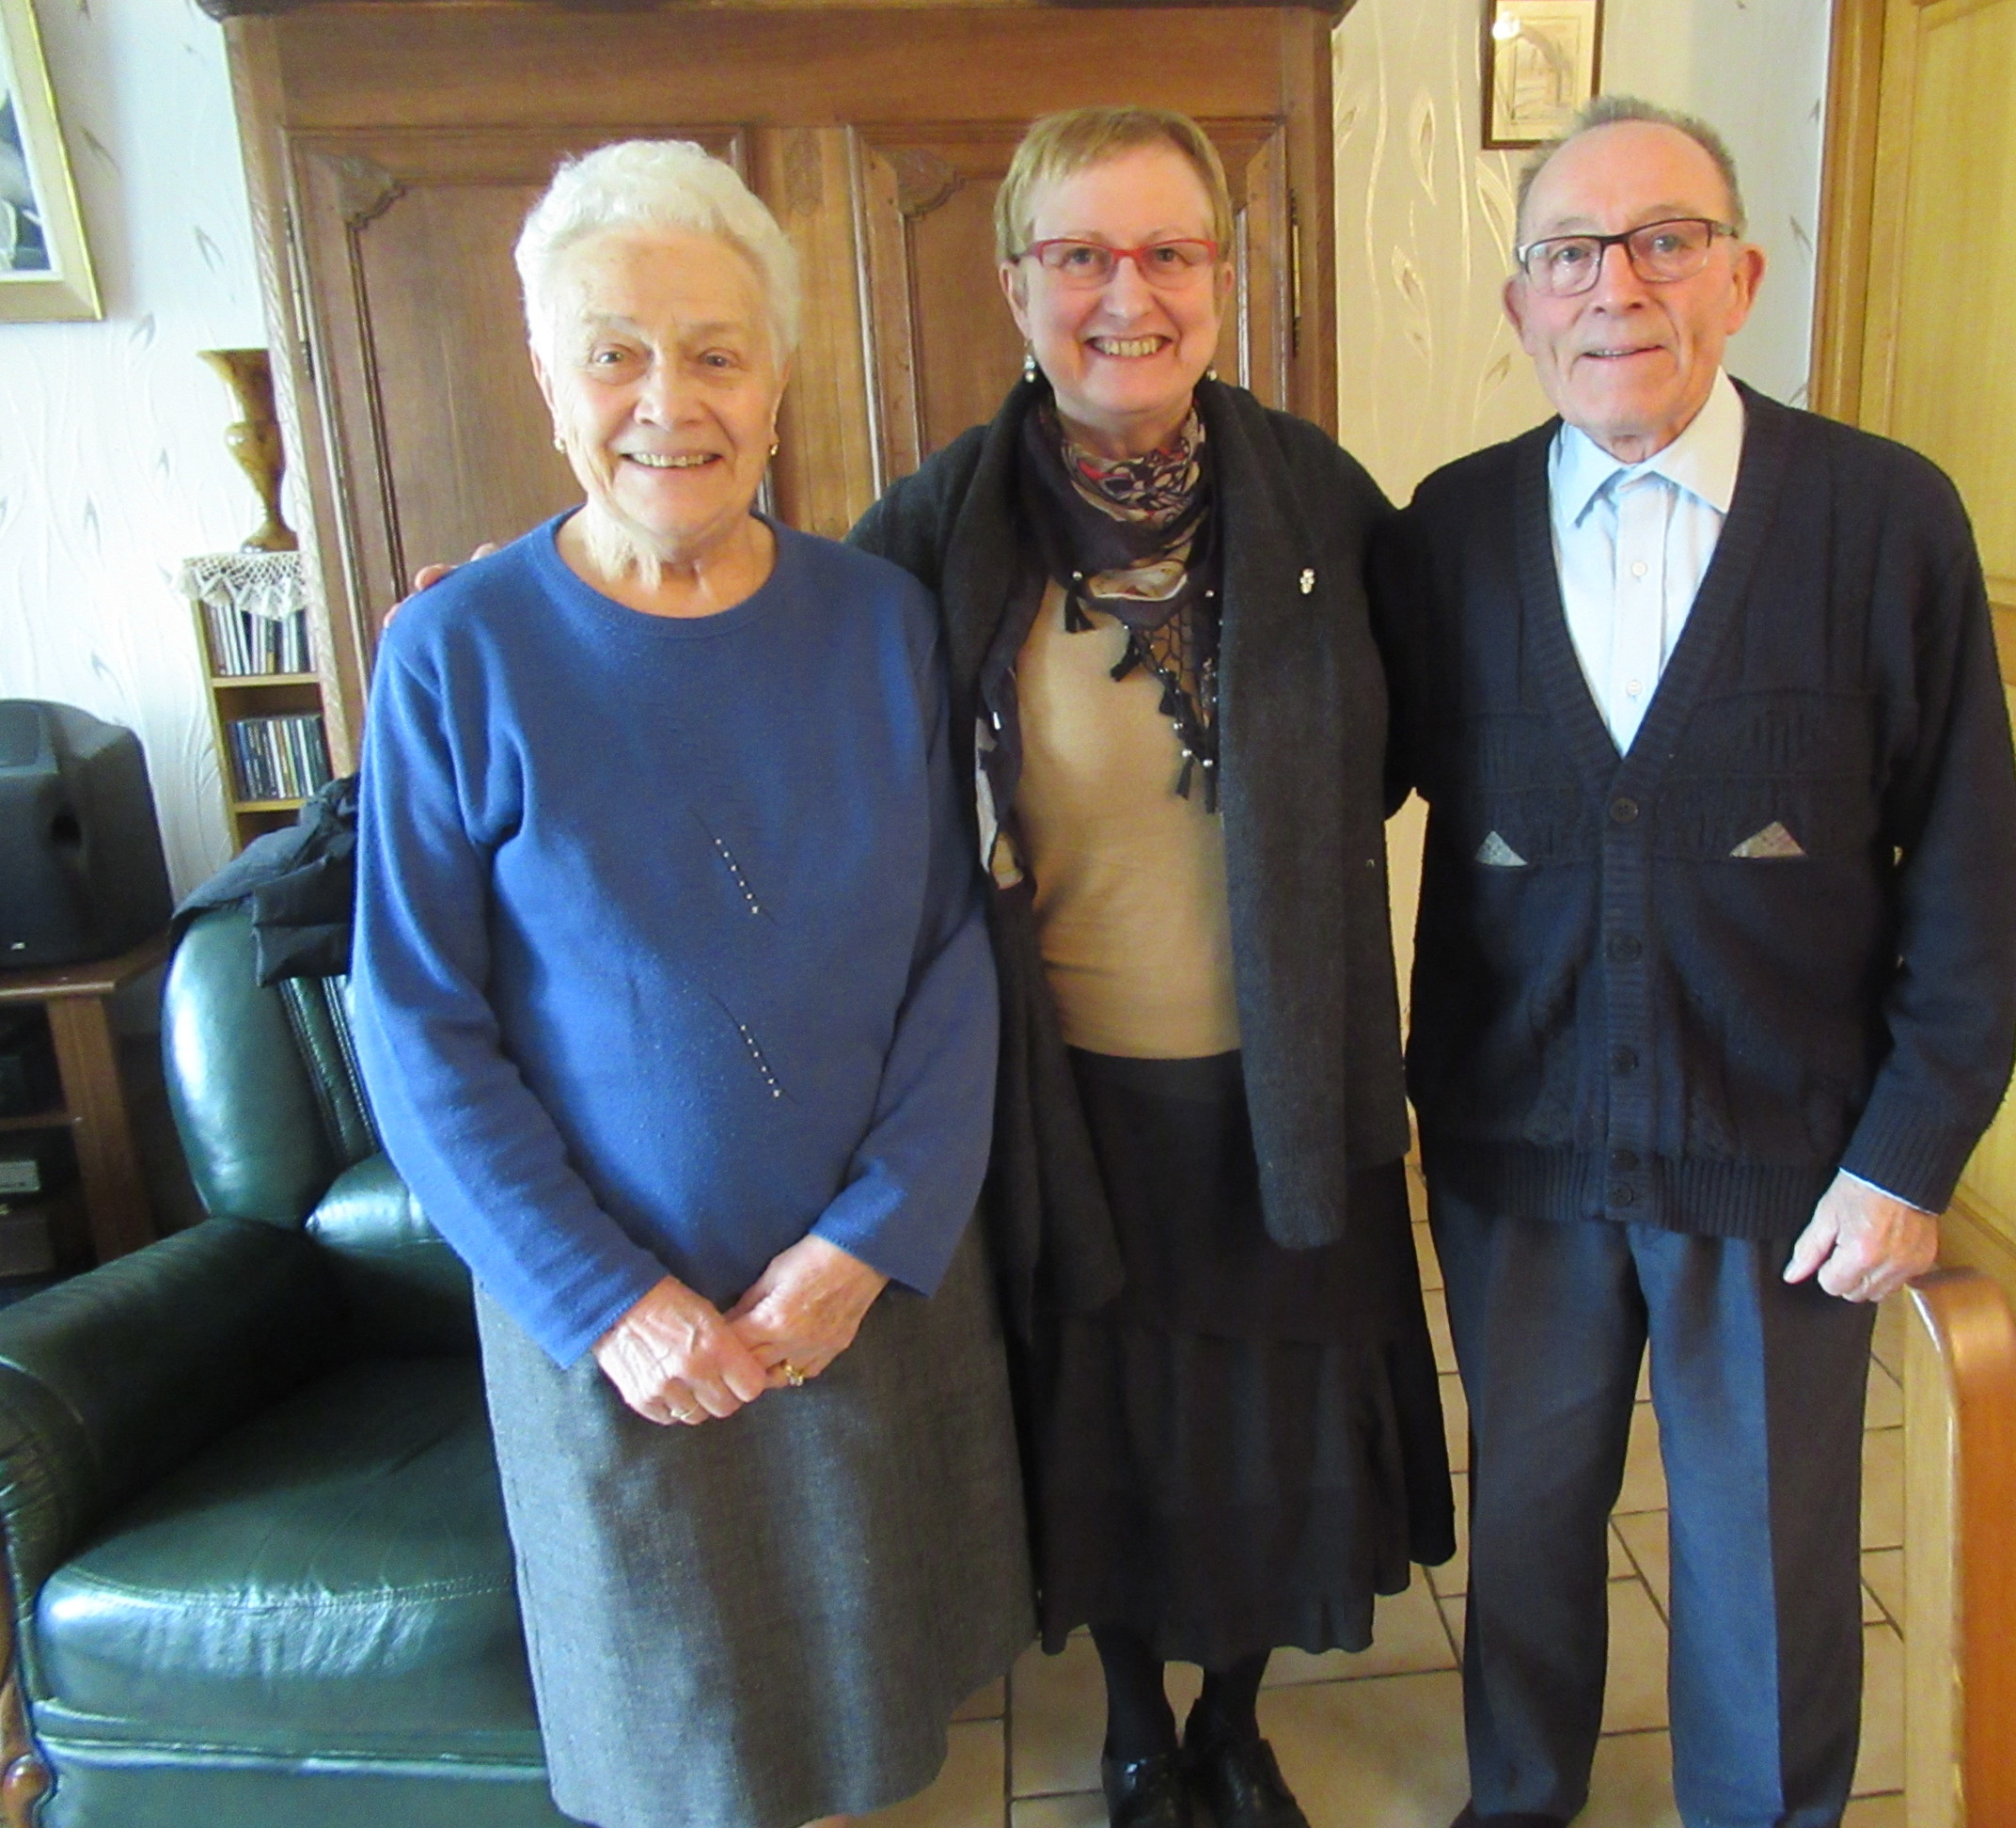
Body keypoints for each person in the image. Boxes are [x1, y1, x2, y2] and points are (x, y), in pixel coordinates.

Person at [352, 139, 1031, 1828]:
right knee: (679, 1753)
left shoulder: (883, 625)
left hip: (853, 1308)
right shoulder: (452, 655)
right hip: (614, 1334)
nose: (670, 401)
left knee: (870, 1729)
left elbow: (952, 952)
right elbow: (417, 1025)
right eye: (616, 353)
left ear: (777, 381)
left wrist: (869, 1243)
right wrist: (608, 1302)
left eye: (717, 352)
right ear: (549, 381)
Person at [1372, 97, 2016, 1828]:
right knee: (1526, 1527)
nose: (1617, 288)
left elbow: (1970, 871)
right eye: (1570, 254)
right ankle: (1522, 1801)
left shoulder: (1886, 520)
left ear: (1739, 279)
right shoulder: (1444, 535)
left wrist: (1911, 1155)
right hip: (1518, 1148)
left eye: (1665, 242)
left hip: (1789, 1163)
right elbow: (1329, 790)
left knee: (1768, 1554)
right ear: (1520, 305)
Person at [847, 105, 1454, 1828]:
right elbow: (802, 723)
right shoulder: (934, 530)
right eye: (1083, 255)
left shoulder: (1321, 498)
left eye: (1170, 252)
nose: (1131, 294)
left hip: (1289, 1078)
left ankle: (1234, 1724)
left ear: (1222, 276)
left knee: (1271, 1430)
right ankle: (1131, 1724)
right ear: (1015, 284)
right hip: (1065, 1098)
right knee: (1108, 1431)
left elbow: (1406, 734)